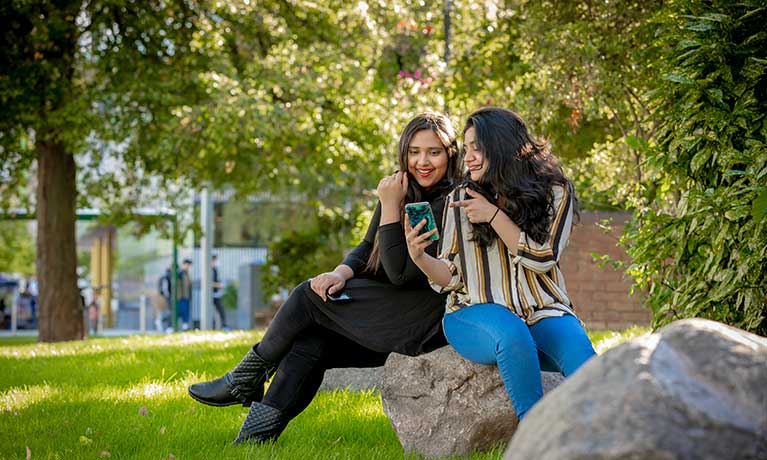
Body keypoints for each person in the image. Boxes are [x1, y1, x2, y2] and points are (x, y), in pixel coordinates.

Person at [188, 112, 462, 444]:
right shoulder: (399, 187)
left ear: (451, 153)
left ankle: (242, 380)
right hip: (387, 310)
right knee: (310, 344)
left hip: (420, 317)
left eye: (434, 152)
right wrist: (340, 272)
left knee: (307, 296)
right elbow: (366, 247)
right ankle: (254, 439)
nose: (423, 161)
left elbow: (402, 275)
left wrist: (391, 208)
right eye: (414, 151)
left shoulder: (450, 203)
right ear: (403, 152)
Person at [404, 107, 596, 420]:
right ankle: (535, 442)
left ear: (503, 146)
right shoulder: (460, 198)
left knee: (586, 364)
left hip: (543, 310)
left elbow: (543, 257)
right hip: (474, 312)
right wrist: (420, 257)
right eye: (467, 149)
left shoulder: (555, 191)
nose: (469, 158)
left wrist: (494, 216)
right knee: (512, 334)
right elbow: (450, 277)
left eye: (477, 148)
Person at [211, 254, 228, 330]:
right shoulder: (209, 270)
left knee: (221, 310)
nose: (217, 262)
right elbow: (208, 282)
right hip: (211, 295)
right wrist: (218, 285)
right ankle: (223, 326)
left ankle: (224, 326)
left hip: (216, 294)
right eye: (216, 260)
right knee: (218, 311)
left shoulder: (215, 270)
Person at [177, 259, 193, 331]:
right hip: (181, 297)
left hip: (186, 296)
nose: (189, 266)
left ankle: (185, 326)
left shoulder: (187, 273)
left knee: (186, 312)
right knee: (180, 311)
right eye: (188, 265)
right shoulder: (180, 273)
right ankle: (169, 326)